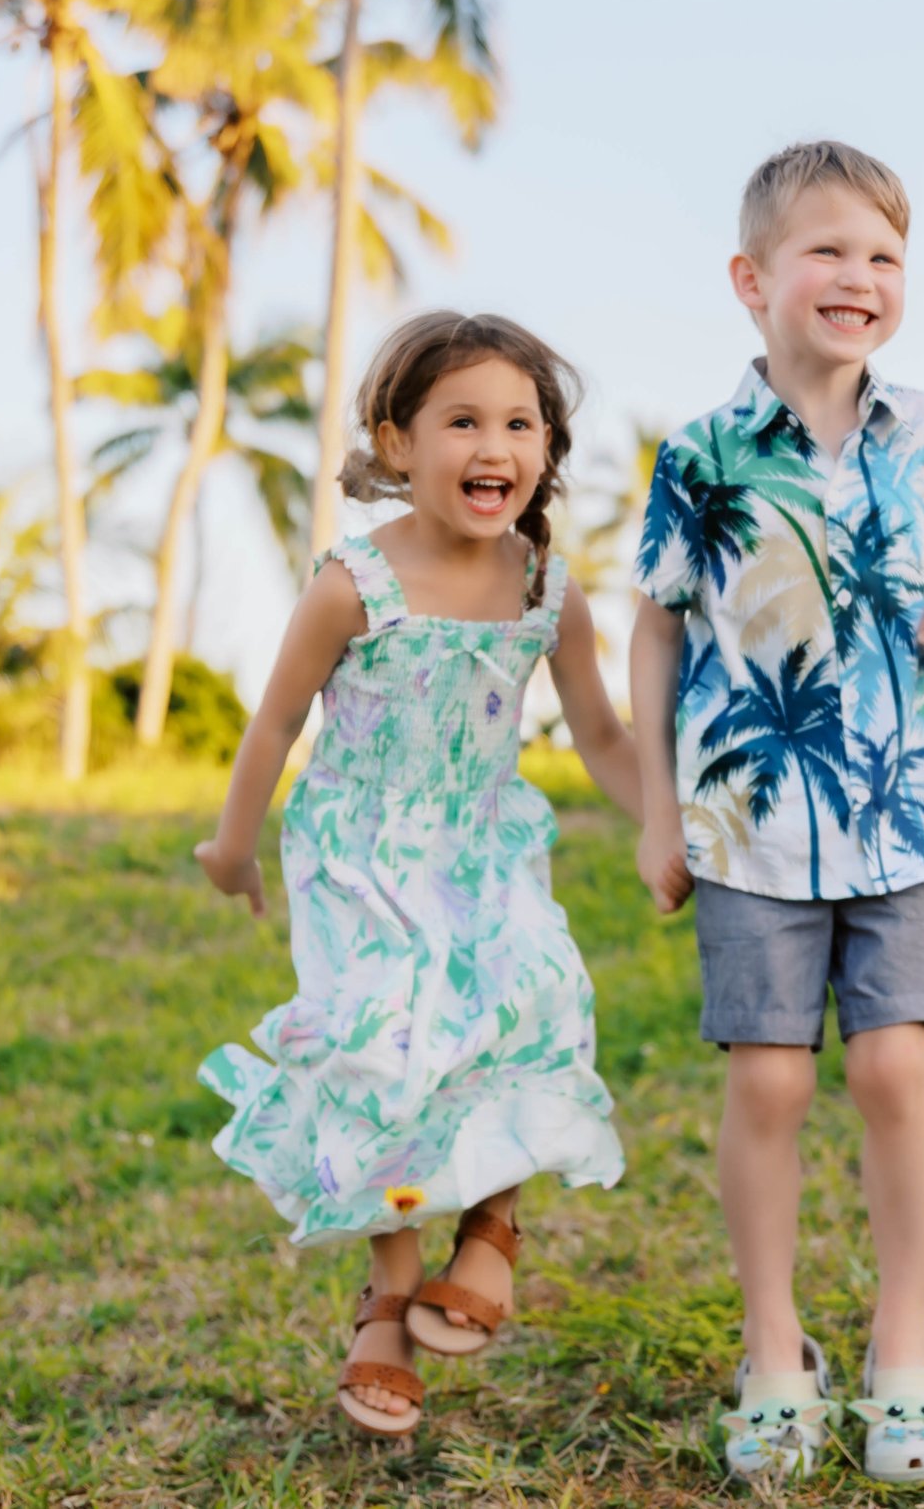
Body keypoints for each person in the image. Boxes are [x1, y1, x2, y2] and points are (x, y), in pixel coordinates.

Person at [631, 141, 924, 1482]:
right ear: (754, 278)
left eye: (885, 256)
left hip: (903, 818)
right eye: (829, 252)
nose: (860, 277)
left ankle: (906, 1344)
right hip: (746, 822)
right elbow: (657, 627)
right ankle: (774, 1343)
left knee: (893, 1066)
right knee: (773, 1077)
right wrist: (651, 813)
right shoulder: (703, 451)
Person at [196, 310, 643, 1437]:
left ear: (545, 448)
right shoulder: (353, 583)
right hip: (360, 854)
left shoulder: (549, 587)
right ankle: (389, 1288)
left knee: (524, 1003)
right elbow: (275, 721)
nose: (492, 445)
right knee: (381, 1050)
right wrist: (234, 842)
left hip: (484, 843)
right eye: (461, 421)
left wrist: (663, 827)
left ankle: (491, 1225)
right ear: (397, 442)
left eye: (518, 422)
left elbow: (601, 735)